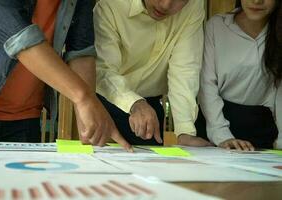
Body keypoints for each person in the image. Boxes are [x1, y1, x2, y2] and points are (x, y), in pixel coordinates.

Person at [0, 0, 132, 151]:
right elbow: (19, 38)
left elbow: (81, 52)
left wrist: (89, 126)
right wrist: (84, 97)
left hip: (26, 118)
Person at [94, 0, 211, 146]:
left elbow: (185, 69)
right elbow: (103, 70)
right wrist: (134, 103)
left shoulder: (193, 5)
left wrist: (185, 131)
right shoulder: (111, 5)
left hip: (152, 106)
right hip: (109, 97)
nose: (165, 5)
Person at [198, 0, 282, 150]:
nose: (257, 1)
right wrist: (223, 136)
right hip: (215, 124)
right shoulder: (217, 26)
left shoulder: (278, 31)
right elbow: (206, 85)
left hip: (264, 130)